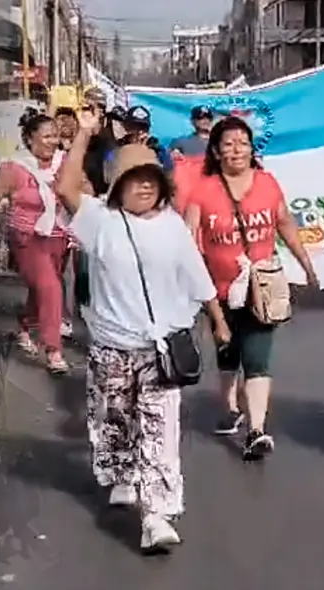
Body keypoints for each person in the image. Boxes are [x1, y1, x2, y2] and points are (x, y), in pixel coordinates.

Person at [54, 109, 225, 550]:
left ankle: (156, 516)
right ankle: (122, 475)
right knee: (115, 420)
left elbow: (196, 273)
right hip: (112, 346)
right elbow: (66, 187)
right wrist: (85, 135)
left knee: (159, 429)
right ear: (118, 186)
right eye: (135, 179)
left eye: (151, 178)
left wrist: (218, 318)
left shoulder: (172, 225)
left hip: (160, 349)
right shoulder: (100, 221)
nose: (145, 185)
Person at [183, 116, 318, 460]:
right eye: (228, 143)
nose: (236, 149)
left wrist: (307, 266)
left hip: (263, 286)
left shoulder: (268, 183)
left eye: (242, 142)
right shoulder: (204, 189)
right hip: (220, 289)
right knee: (228, 350)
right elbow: (187, 237)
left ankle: (256, 429)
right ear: (215, 150)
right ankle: (229, 405)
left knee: (257, 357)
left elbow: (285, 224)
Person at [0, 110, 70, 373]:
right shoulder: (14, 168)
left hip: (59, 237)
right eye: (47, 136)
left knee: (42, 289)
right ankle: (53, 351)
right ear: (30, 139)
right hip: (27, 239)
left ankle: (25, 326)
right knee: (51, 288)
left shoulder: (64, 164)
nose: (53, 141)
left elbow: (82, 191)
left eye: (56, 136)